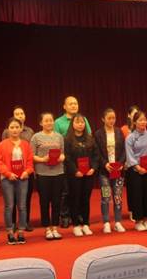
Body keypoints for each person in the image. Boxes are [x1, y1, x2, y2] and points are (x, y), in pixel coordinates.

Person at [54, 96, 91, 228]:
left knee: (81, 191)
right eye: (70, 104)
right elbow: (57, 140)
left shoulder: (84, 119)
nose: (74, 106)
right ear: (64, 106)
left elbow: (89, 137)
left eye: (75, 103)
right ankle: (65, 216)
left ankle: (79, 214)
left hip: (82, 160)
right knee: (66, 191)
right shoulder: (58, 122)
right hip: (67, 159)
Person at [0, 117, 34, 245]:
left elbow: (30, 162)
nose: (14, 130)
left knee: (22, 206)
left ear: (21, 128)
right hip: (7, 179)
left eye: (17, 127)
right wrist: (8, 174)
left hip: (23, 178)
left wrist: (26, 172)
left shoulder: (26, 144)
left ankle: (21, 231)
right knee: (9, 206)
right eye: (12, 127)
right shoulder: (2, 145)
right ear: (8, 129)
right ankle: (10, 232)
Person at [31, 112, 66, 240]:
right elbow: (31, 156)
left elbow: (63, 153)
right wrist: (42, 159)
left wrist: (61, 157)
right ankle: (47, 228)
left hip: (58, 172)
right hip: (43, 173)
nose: (49, 123)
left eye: (51, 120)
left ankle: (55, 227)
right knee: (44, 201)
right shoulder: (36, 137)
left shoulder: (59, 137)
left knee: (57, 201)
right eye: (46, 121)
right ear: (41, 123)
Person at [64, 114, 99, 237]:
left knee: (85, 199)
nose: (80, 124)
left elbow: (96, 155)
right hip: (75, 175)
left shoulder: (90, 138)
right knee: (75, 199)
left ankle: (86, 224)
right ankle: (76, 225)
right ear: (72, 124)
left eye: (82, 122)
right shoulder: (68, 139)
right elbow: (67, 158)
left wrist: (93, 168)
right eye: (77, 122)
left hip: (88, 174)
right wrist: (75, 171)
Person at [95, 108, 127, 233]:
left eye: (113, 118)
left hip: (118, 171)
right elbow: (97, 152)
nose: (112, 120)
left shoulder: (119, 132)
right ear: (103, 119)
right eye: (109, 118)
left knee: (118, 196)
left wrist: (121, 163)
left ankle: (118, 222)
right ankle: (106, 222)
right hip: (105, 172)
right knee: (106, 196)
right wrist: (105, 164)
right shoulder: (98, 134)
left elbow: (124, 150)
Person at [125, 110, 147, 231]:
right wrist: (137, 167)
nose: (143, 122)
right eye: (140, 120)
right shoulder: (130, 137)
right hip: (136, 171)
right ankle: (138, 221)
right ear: (134, 122)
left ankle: (146, 220)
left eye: (145, 120)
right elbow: (129, 155)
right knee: (137, 195)